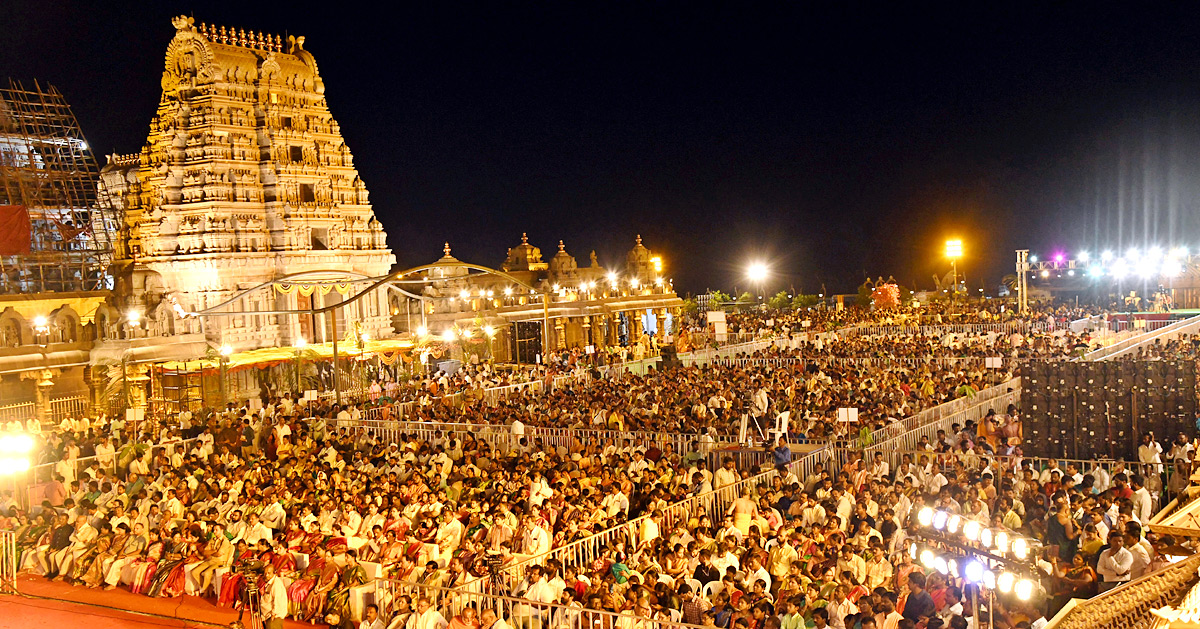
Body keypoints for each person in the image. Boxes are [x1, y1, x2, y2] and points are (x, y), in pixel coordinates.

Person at [260, 562, 289, 629]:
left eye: (269, 573)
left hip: (274, 616)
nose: (266, 575)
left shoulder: (276, 585)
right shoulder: (270, 582)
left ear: (274, 573)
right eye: (265, 573)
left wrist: (274, 614)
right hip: (268, 614)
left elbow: (278, 601)